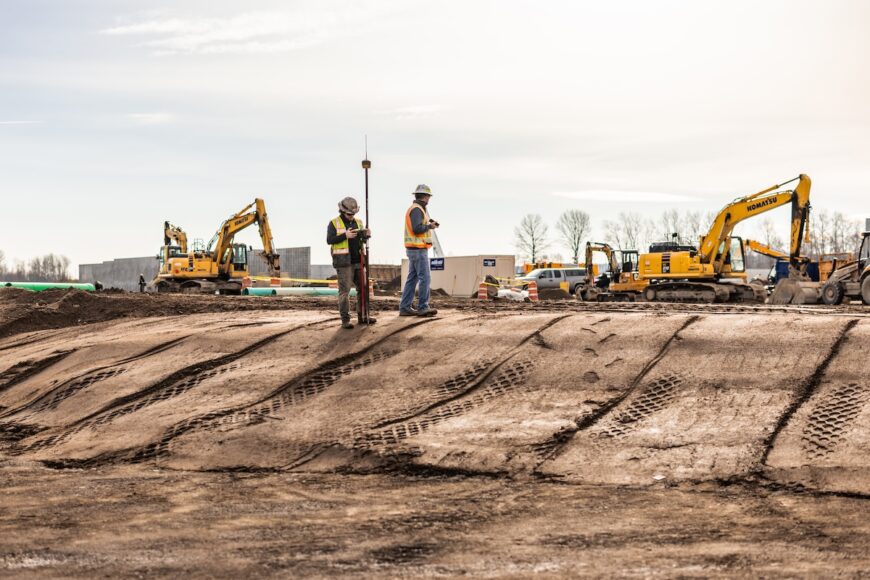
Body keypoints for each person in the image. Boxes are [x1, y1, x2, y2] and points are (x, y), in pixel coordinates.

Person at [327, 197, 376, 329]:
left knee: (363, 289)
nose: (351, 216)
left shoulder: (358, 222)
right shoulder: (334, 223)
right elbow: (329, 240)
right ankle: (345, 320)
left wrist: (366, 235)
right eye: (349, 214)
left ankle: (363, 316)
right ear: (342, 211)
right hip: (343, 263)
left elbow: (362, 240)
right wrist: (345, 236)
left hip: (358, 260)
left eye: (353, 214)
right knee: (344, 292)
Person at [400, 184, 439, 317]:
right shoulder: (417, 209)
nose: (429, 199)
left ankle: (405, 307)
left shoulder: (417, 209)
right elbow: (417, 229)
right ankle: (423, 307)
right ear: (426, 197)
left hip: (415, 249)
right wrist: (429, 226)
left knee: (413, 278)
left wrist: (428, 224)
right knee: (425, 278)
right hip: (418, 249)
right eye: (428, 196)